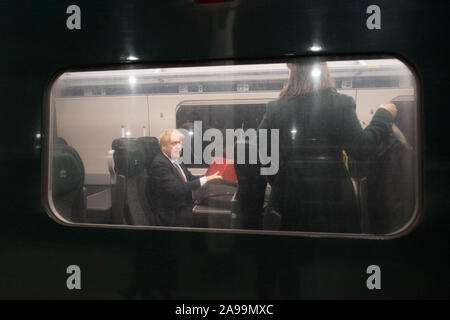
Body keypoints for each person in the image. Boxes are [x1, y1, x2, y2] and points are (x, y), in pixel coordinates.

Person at [258, 60, 397, 233]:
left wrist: (283, 180)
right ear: (324, 71)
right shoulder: (340, 104)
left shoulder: (275, 108)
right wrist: (383, 115)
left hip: (289, 199)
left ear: (291, 71)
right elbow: (362, 147)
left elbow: (262, 153)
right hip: (334, 194)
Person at [148, 129, 222, 227]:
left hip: (183, 207)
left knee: (216, 215)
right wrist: (205, 180)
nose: (179, 146)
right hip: (172, 214)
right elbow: (176, 188)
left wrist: (208, 177)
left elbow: (189, 178)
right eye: (174, 143)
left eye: (180, 143)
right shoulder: (159, 164)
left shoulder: (175, 159)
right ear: (163, 147)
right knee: (214, 219)